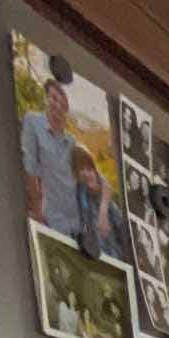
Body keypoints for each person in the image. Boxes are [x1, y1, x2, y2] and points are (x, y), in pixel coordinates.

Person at [20, 78, 80, 234]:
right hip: (48, 217)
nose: (57, 104)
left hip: (73, 220)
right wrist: (38, 212)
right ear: (47, 99)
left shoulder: (72, 141)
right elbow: (29, 168)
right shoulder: (32, 121)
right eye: (54, 98)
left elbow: (75, 180)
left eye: (63, 101)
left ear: (67, 107)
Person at [72, 148, 127, 261]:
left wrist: (103, 208)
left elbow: (122, 228)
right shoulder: (80, 195)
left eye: (89, 169)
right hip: (93, 255)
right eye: (82, 170)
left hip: (114, 256)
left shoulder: (106, 197)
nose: (87, 174)